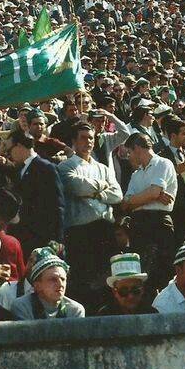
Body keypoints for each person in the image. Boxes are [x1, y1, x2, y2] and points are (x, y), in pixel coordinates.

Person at [57, 122, 123, 311]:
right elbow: (76, 187)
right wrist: (103, 186)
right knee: (84, 282)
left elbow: (117, 194)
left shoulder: (102, 167)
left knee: (107, 278)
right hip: (80, 233)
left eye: (91, 138)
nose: (88, 142)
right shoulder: (66, 166)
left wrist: (96, 192)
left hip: (105, 230)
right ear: (74, 141)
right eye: (83, 138)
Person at [120, 133, 177, 295]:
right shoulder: (135, 174)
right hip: (139, 225)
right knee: (143, 273)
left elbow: (151, 192)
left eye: (129, 152)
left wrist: (147, 196)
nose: (128, 157)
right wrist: (153, 195)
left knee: (162, 270)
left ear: (137, 148)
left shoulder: (163, 163)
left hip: (159, 223)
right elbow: (125, 203)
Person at [6, 130, 65, 256]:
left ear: (19, 146)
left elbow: (57, 205)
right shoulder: (19, 170)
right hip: (25, 237)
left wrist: (58, 239)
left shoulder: (45, 168)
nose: (8, 155)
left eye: (9, 150)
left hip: (43, 238)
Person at [10, 246, 85, 320]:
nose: (60, 284)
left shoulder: (75, 310)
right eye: (53, 279)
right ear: (37, 285)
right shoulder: (22, 307)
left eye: (63, 279)